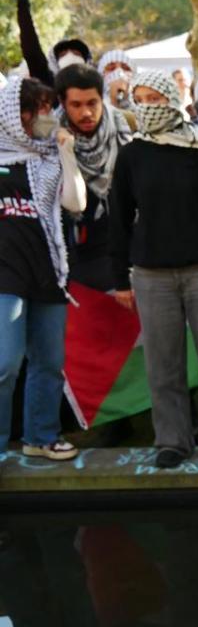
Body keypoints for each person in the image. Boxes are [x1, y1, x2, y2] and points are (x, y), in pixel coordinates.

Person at [109, 70, 198, 469]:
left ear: (171, 98)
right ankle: (172, 440)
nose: (147, 105)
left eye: (154, 97)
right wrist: (119, 276)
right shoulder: (132, 153)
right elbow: (119, 217)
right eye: (139, 98)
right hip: (151, 274)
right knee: (162, 361)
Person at [0, 76, 86, 460]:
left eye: (48, 108)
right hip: (6, 276)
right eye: (37, 109)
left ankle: (41, 436)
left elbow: (75, 203)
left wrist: (67, 154)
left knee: (49, 362)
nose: (45, 116)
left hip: (49, 271)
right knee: (5, 364)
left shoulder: (49, 156)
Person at [54, 64, 133, 291]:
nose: (86, 113)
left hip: (129, 253)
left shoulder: (124, 126)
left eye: (92, 103)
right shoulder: (50, 139)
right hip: (78, 260)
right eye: (76, 105)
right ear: (63, 103)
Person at [9, 0, 93, 88]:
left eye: (76, 53)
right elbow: (32, 49)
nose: (70, 56)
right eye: (63, 55)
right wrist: (22, 2)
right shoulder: (49, 86)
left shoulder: (97, 87)